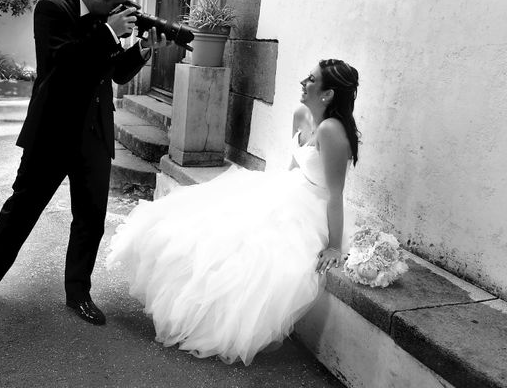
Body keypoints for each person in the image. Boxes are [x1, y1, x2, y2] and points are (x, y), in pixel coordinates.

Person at [106, 59, 360, 364]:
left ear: (328, 94)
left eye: (311, 80)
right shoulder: (301, 114)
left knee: (252, 254)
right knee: (209, 224)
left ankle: (215, 319)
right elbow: (294, 167)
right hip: (288, 189)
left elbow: (334, 194)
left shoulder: (332, 130)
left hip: (312, 206)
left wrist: (333, 245)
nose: (303, 83)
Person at [0, 0, 171, 325]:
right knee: (22, 209)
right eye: (116, 3)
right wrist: (109, 32)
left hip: (94, 132)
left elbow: (116, 73)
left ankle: (78, 294)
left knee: (91, 219)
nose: (120, 11)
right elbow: (63, 65)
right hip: (52, 132)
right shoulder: (52, 9)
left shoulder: (106, 23)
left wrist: (141, 49)